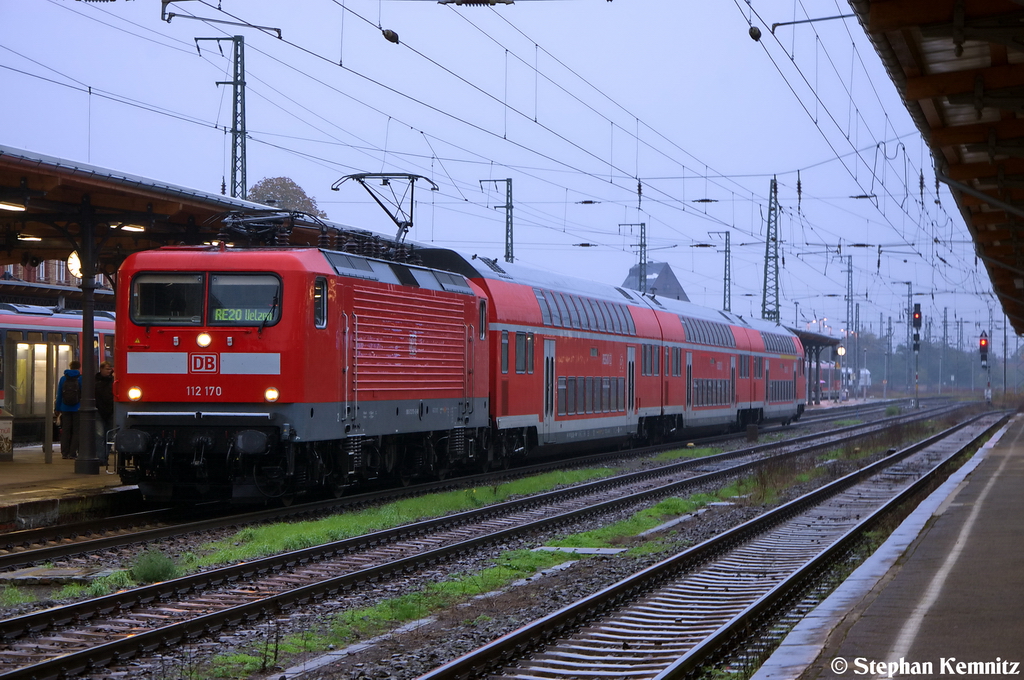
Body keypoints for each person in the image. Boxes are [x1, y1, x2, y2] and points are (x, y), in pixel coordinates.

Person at [55, 360, 82, 460]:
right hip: (77, 408)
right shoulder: (81, 378)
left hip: (65, 408)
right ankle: (72, 453)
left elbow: (59, 395)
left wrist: (57, 408)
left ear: (70, 367)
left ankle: (64, 453)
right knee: (76, 431)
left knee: (65, 430)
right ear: (79, 367)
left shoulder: (63, 378)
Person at [95, 362, 114, 466]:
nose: (109, 371)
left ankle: (104, 457)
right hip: (99, 411)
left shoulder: (113, 381)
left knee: (109, 436)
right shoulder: (95, 381)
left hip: (110, 411)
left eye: (110, 369)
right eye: (107, 369)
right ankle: (101, 458)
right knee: (100, 435)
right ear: (101, 369)